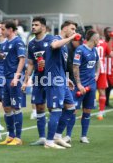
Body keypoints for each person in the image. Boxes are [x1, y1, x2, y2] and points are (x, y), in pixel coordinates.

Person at [46, 21, 79, 149]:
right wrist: (71, 37)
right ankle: (49, 142)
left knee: (71, 108)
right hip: (53, 81)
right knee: (56, 110)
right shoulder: (56, 38)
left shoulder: (65, 46)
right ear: (65, 28)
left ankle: (57, 136)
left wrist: (66, 79)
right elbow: (54, 45)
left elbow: (59, 65)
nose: (74, 31)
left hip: (61, 80)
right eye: (72, 28)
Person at [22, 17, 51, 146]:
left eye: (36, 25)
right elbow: (30, 64)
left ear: (43, 27)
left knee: (53, 107)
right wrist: (25, 80)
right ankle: (42, 137)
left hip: (51, 79)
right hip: (38, 79)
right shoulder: (32, 44)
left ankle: (55, 136)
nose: (33, 27)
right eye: (32, 25)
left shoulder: (51, 40)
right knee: (39, 107)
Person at [70, 29, 101, 144]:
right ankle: (68, 135)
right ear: (92, 38)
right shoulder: (80, 50)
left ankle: (84, 136)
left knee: (87, 110)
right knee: (73, 110)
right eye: (97, 38)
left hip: (91, 86)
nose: (99, 40)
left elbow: (98, 62)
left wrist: (97, 74)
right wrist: (78, 84)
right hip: (80, 86)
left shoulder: (94, 50)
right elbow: (75, 67)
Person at [0, 20, 26, 146]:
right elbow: (7, 59)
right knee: (6, 107)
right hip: (5, 78)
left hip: (13, 79)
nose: (1, 31)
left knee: (16, 107)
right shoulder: (5, 44)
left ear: (10, 30)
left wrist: (16, 77)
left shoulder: (18, 42)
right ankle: (10, 135)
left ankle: (18, 138)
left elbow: (22, 60)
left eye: (3, 29)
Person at [96, 34, 112, 120]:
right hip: (102, 69)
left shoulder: (87, 42)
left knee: (86, 90)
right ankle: (101, 113)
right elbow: (110, 54)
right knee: (102, 90)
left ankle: (85, 112)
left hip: (91, 69)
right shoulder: (105, 44)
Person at [105, 27, 113, 108]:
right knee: (106, 86)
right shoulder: (103, 42)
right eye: (108, 32)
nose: (110, 33)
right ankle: (106, 102)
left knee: (110, 85)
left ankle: (106, 102)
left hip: (111, 67)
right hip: (104, 68)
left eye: (110, 31)